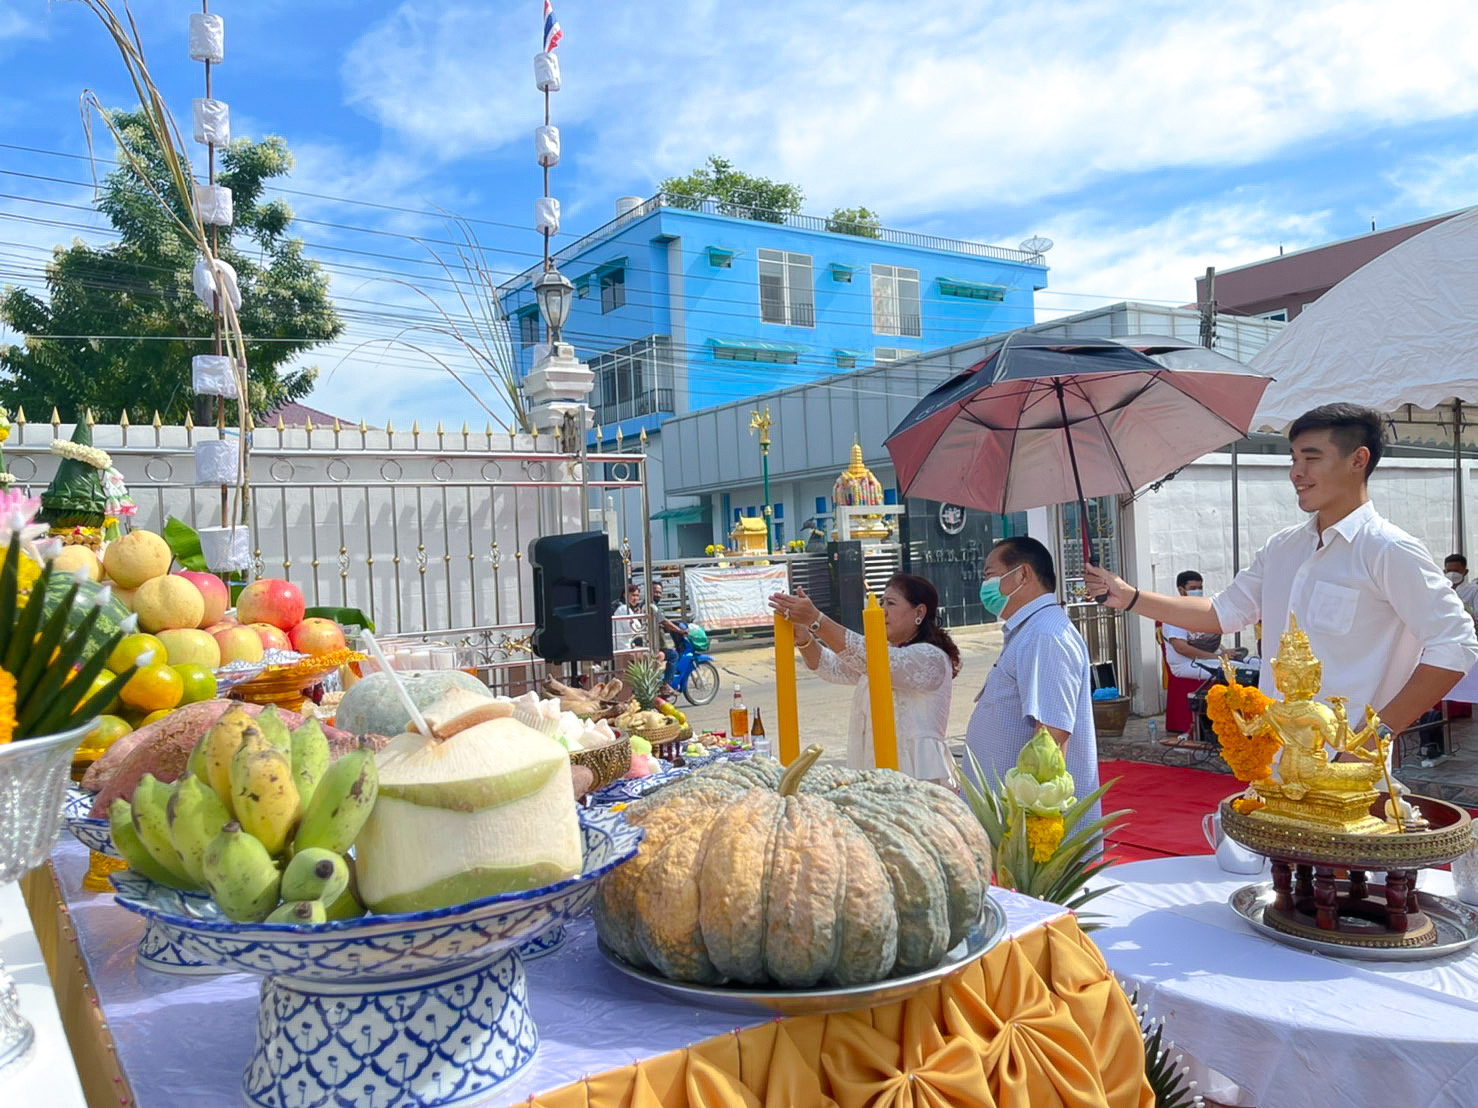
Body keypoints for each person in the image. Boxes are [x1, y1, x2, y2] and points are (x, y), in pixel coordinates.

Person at [1085, 403, 1478, 757]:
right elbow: (1223, 612)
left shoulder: (1387, 550)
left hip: (1345, 772)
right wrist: (1130, 597)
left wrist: (1372, 739)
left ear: (1358, 460)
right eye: (1293, 459)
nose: (1297, 473)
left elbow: (1456, 644)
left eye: (1312, 458)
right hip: (1273, 761)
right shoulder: (1283, 548)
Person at [769, 573, 960, 784]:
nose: (882, 611)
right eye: (881, 602)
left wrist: (817, 620)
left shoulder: (930, 657)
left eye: (891, 603)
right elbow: (831, 667)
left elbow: (874, 660)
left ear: (919, 612)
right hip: (877, 767)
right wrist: (805, 639)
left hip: (916, 772)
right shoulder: (883, 652)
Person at [964, 536, 1101, 822]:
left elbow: (1050, 739)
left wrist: (1038, 824)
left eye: (989, 575)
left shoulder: (1045, 635)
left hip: (1030, 832)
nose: (984, 586)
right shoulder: (1030, 631)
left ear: (1022, 574)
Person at [1162, 571, 1227, 681]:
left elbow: (1204, 639)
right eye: (1193, 588)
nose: (1197, 591)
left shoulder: (1200, 610)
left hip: (1205, 660)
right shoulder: (1175, 614)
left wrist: (1225, 652)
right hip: (1186, 664)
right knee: (1235, 673)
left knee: (1253, 664)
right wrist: (1218, 657)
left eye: (1199, 588)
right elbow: (1181, 648)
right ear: (1181, 590)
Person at [649, 580, 688, 691]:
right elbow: (665, 622)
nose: (658, 594)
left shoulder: (653, 606)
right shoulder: (652, 606)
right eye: (655, 592)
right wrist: (680, 631)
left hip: (653, 643)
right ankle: (666, 684)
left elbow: (663, 622)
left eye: (660, 593)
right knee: (673, 655)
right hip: (652, 645)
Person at [1444, 554, 1478, 621]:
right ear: (1444, 572)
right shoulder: (1440, 589)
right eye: (1449, 571)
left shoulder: (1474, 590)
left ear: (1465, 572)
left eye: (1456, 571)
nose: (1452, 574)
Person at [612, 582, 644, 651]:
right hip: (623, 647)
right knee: (659, 655)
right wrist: (637, 618)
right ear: (625, 595)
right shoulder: (623, 608)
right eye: (633, 595)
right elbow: (631, 631)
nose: (635, 598)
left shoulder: (617, 606)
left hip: (624, 645)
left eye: (637, 596)